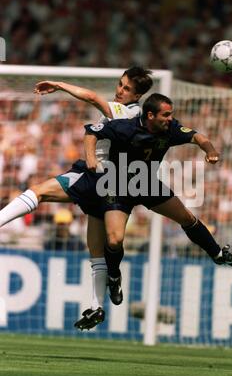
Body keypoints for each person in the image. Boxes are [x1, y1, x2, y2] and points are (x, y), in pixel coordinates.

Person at [0, 67, 153, 329]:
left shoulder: (125, 112)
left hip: (94, 176)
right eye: (120, 84)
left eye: (126, 88)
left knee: (37, 192)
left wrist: (59, 85)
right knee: (96, 252)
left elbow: (93, 97)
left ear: (137, 95)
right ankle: (97, 307)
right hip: (109, 185)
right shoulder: (133, 113)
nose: (119, 90)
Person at [80, 92, 232, 327]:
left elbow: (198, 136)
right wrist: (90, 159)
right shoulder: (124, 128)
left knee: (186, 216)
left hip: (146, 183)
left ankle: (218, 254)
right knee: (115, 240)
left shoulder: (171, 129)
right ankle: (114, 277)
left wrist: (210, 150)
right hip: (116, 184)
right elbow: (91, 132)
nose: (170, 119)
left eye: (171, 115)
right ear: (150, 115)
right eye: (166, 115)